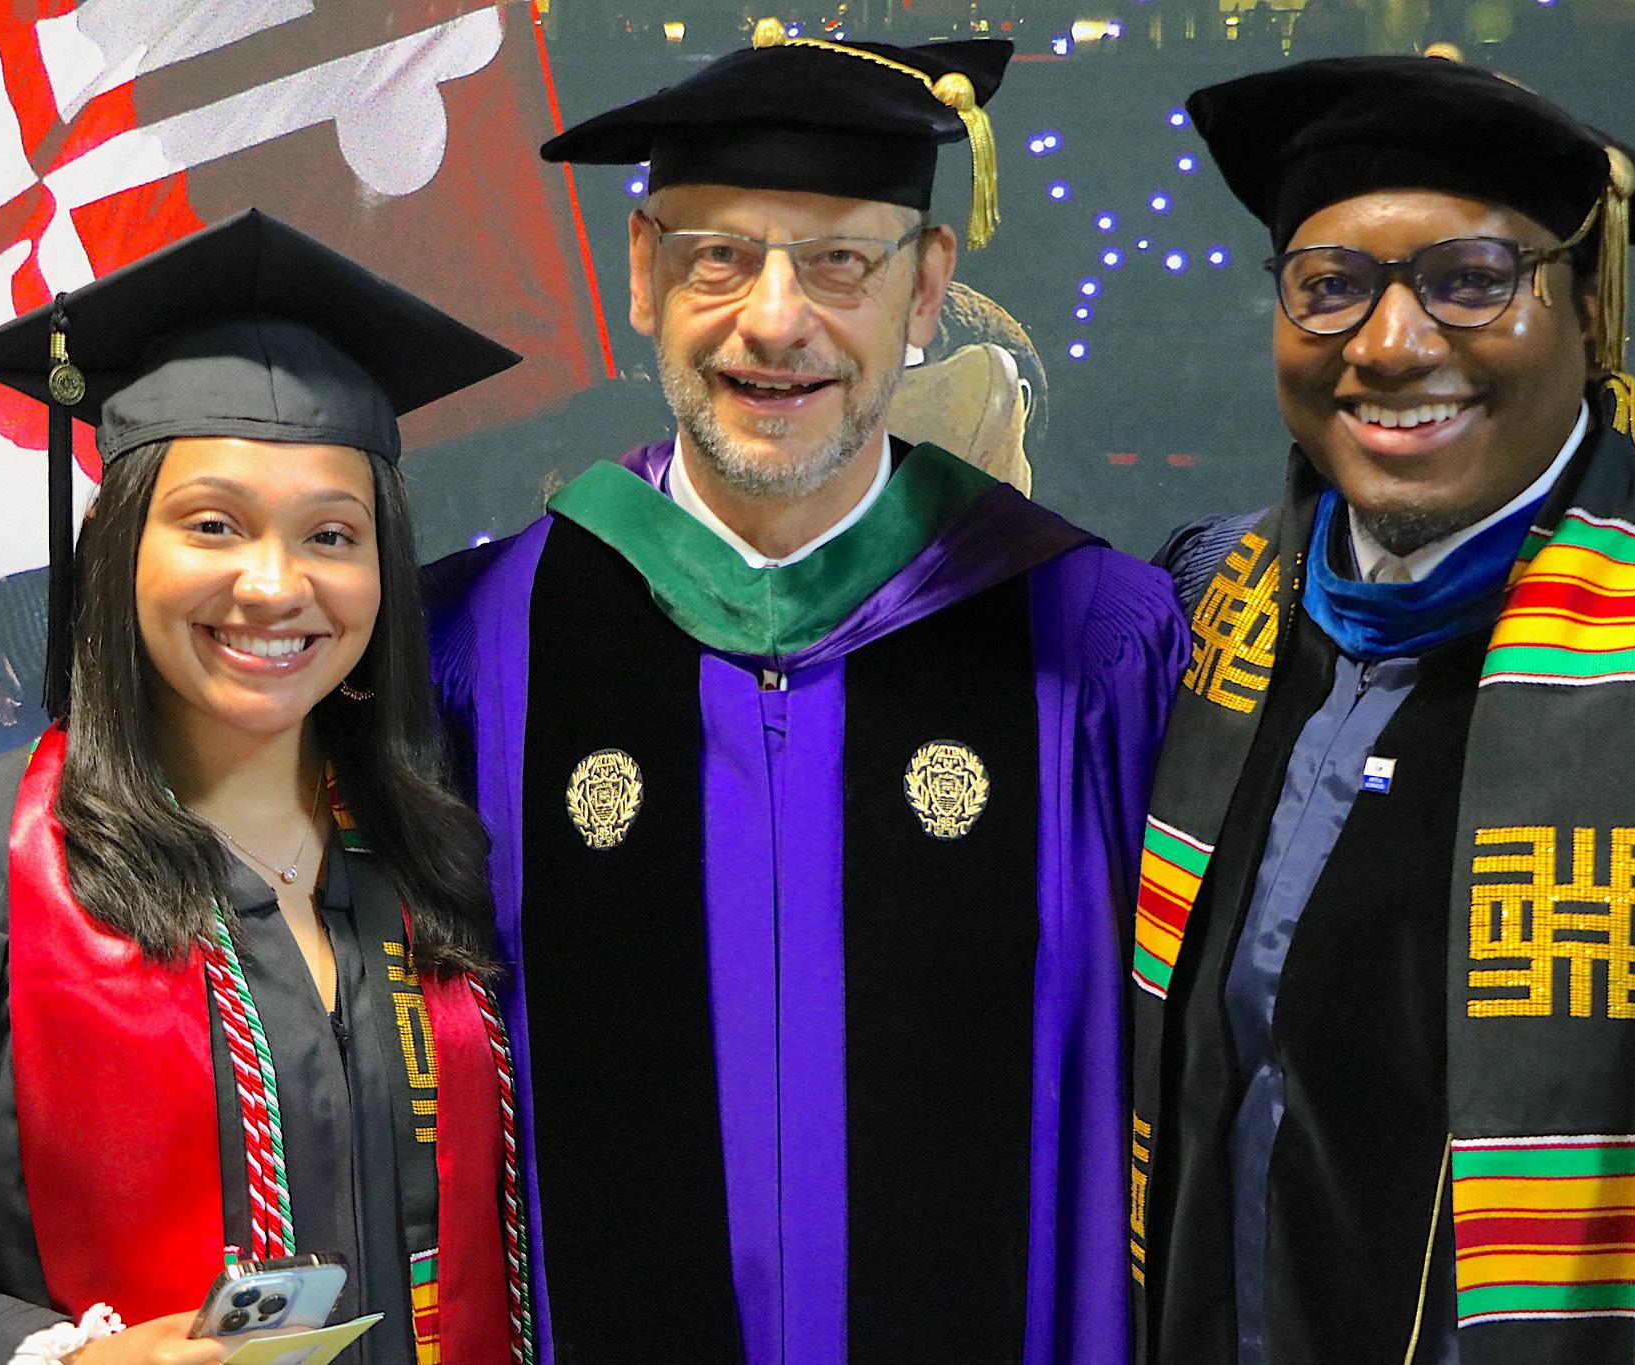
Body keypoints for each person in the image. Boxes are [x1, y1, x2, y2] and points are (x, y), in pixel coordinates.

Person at [423, 20, 1188, 1363]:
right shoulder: (487, 644)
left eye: (840, 260)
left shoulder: (1088, 639)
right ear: (644, 274)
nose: (776, 319)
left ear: (928, 282)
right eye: (718, 254)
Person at [1136, 55, 1635, 1364]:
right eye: (1330, 286)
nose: (1392, 346)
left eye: (1471, 281)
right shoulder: (1214, 606)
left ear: (1589, 308)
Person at [0, 210, 528, 1365]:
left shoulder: (443, 859)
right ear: (122, 546)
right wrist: (64, 1361)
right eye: (213, 524)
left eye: (333, 535)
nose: (275, 586)